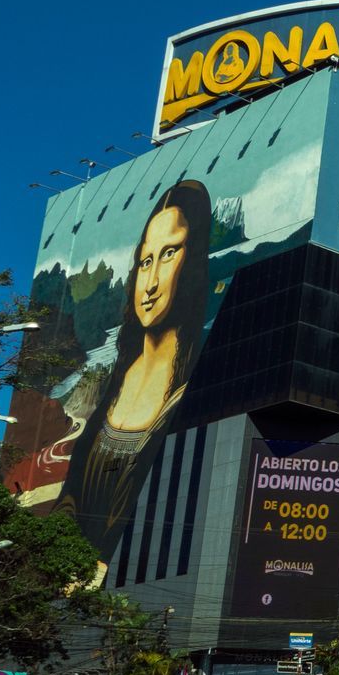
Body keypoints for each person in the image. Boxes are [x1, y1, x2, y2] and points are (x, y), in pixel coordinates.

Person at [57, 181, 214, 556]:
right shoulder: (113, 382)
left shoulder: (198, 384)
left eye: (169, 254)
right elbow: (70, 499)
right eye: (146, 260)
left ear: (192, 262)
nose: (151, 283)